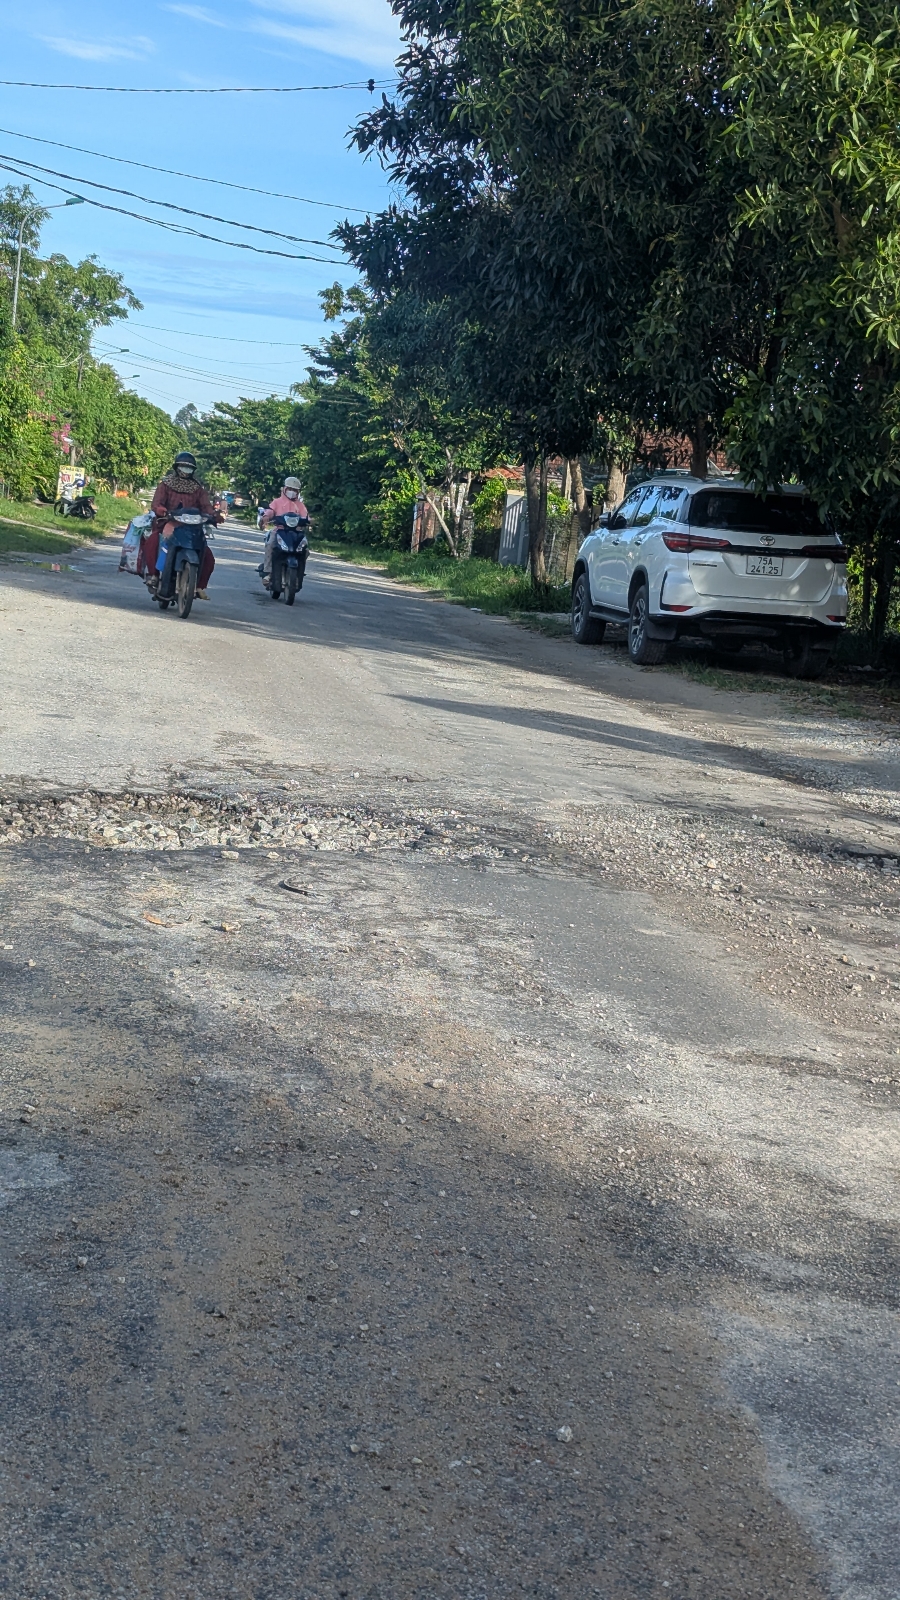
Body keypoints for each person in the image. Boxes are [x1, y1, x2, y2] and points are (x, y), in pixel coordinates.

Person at [143, 452, 221, 598]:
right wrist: (161, 510)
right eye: (183, 467)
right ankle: (154, 575)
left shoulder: (197, 488)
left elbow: (206, 506)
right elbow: (156, 503)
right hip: (167, 522)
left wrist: (214, 515)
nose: (186, 470)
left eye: (189, 468)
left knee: (208, 556)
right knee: (153, 542)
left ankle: (199, 586)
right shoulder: (166, 484)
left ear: (193, 470)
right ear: (177, 467)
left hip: (191, 527)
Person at [259, 476, 308, 585]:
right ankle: (268, 572)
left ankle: (299, 573)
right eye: (290, 489)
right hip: (279, 531)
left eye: (295, 490)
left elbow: (305, 516)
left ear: (298, 492)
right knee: (270, 544)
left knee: (305, 550)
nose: (292, 492)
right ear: (284, 489)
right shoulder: (277, 502)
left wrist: (310, 520)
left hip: (296, 533)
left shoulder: (300, 505)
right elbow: (270, 511)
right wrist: (266, 516)